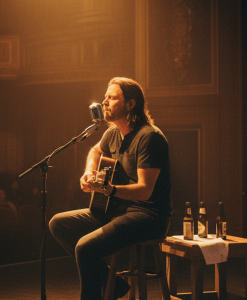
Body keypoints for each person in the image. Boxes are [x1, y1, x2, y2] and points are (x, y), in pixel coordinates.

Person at [48, 77, 171, 300]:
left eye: (112, 97)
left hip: (148, 215)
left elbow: (145, 191)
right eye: (105, 97)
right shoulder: (112, 133)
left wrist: (111, 190)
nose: (104, 102)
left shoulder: (150, 137)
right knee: (58, 223)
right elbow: (95, 152)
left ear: (130, 104)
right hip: (118, 209)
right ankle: (112, 286)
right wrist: (88, 172)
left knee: (84, 248)